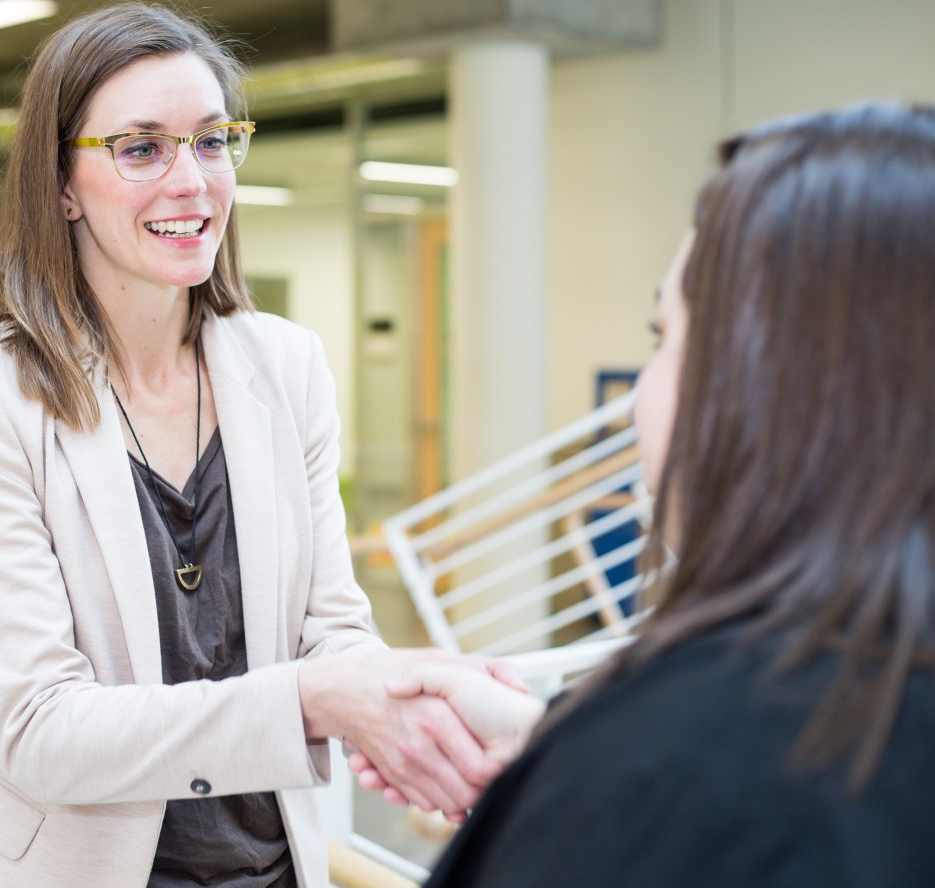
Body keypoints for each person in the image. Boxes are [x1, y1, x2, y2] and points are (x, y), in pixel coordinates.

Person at [0, 4, 523, 886]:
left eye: (211, 141)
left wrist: (408, 700)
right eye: (141, 148)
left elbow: (332, 629)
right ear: (60, 185)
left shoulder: (286, 365)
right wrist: (317, 702)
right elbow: (40, 730)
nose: (191, 181)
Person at [364, 103, 935, 886]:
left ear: (772, 388)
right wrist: (550, 744)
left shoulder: (678, 765)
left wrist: (584, 774)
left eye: (665, 337)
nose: (640, 392)